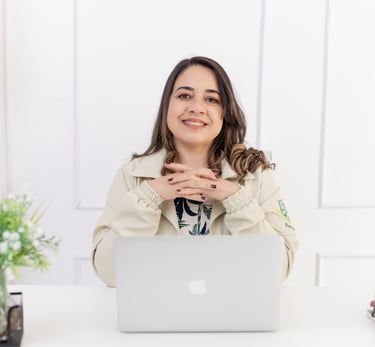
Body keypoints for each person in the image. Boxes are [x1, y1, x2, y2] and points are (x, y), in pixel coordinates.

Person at [92, 56, 298, 287]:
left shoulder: (255, 174)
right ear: (167, 106)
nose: (196, 108)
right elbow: (109, 273)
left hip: (233, 317)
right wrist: (148, 197)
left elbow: (278, 271)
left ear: (225, 112)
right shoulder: (132, 175)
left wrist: (236, 199)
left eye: (211, 99)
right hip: (156, 317)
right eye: (184, 96)